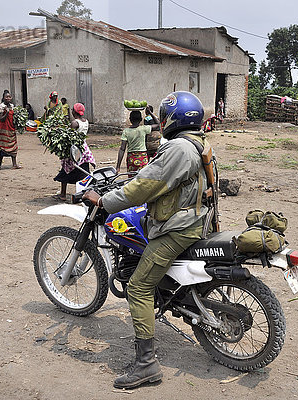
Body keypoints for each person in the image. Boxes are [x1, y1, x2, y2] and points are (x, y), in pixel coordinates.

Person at [82, 91, 209, 389]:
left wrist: (105, 201)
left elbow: (145, 187)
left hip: (177, 229)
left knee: (138, 288)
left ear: (171, 118)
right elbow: (159, 178)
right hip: (193, 220)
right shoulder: (195, 142)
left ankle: (146, 365)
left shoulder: (177, 148)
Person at [52, 103, 95, 201]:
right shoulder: (86, 121)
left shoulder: (75, 123)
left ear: (74, 111)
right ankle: (84, 193)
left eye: (72, 109)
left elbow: (69, 136)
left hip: (74, 150)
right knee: (83, 171)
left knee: (66, 169)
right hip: (83, 149)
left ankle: (63, 194)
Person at [116, 110, 160, 174]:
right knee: (142, 178)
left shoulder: (126, 131)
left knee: (132, 179)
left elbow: (122, 149)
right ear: (141, 119)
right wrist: (150, 113)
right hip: (142, 158)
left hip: (131, 159)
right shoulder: (144, 129)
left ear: (130, 119)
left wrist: (118, 166)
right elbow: (158, 124)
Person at [0, 91, 21, 170]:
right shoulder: (1, 107)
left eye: (10, 97)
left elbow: (13, 117)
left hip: (11, 128)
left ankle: (14, 164)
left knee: (14, 147)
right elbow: (1, 119)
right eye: (7, 97)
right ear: (3, 98)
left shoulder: (12, 106)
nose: (8, 98)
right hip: (4, 129)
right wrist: (6, 112)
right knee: (3, 147)